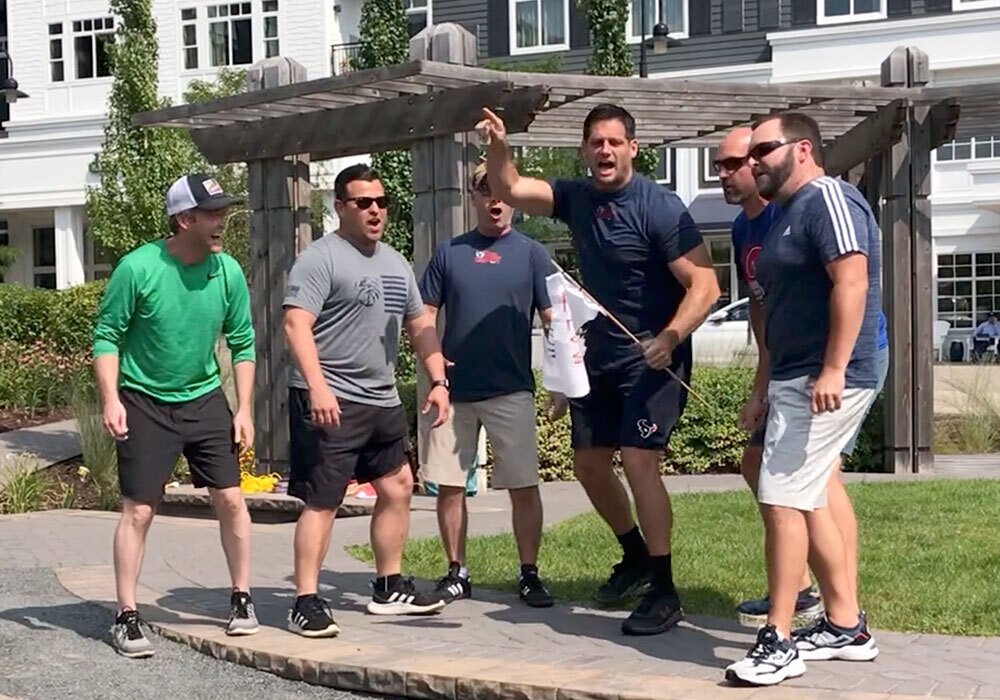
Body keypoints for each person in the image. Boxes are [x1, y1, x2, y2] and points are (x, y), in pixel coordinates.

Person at [478, 104, 721, 635]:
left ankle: (664, 589)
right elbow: (512, 187)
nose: (605, 151)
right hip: (599, 357)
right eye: (596, 143)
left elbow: (706, 287)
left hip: (654, 358)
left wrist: (670, 337)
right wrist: (498, 143)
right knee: (588, 464)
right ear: (586, 150)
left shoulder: (659, 207)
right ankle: (634, 555)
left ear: (633, 147)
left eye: (615, 142)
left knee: (638, 461)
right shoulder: (579, 198)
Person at [724, 113, 882, 687]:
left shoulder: (828, 198)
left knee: (783, 493)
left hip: (831, 375)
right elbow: (771, 311)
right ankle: (845, 626)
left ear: (804, 149)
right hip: (792, 375)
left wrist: (834, 368)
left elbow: (853, 281)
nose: (753, 160)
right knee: (805, 493)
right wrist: (763, 387)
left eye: (763, 149)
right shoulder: (780, 217)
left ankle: (780, 638)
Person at [92, 173, 259, 658]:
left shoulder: (226, 271)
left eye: (223, 211)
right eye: (212, 213)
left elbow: (243, 342)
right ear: (184, 219)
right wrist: (110, 399)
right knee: (140, 510)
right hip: (144, 400)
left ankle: (242, 598)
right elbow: (107, 336)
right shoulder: (138, 268)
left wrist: (244, 408)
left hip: (205, 398)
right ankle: (126, 615)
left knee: (231, 499)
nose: (221, 221)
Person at [282, 163, 451, 638]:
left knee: (398, 485)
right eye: (363, 202)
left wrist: (438, 378)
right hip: (330, 397)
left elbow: (420, 326)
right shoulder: (321, 259)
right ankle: (305, 601)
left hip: (380, 399)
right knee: (323, 500)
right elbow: (296, 324)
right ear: (340, 207)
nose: (375, 210)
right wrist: (317, 387)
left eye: (381, 202)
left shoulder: (396, 262)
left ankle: (388, 585)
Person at [418, 162, 556, 608]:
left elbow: (556, 323)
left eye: (501, 190)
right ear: (473, 196)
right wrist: (436, 374)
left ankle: (530, 574)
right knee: (449, 485)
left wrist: (562, 383)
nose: (495, 200)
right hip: (454, 394)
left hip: (511, 389)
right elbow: (422, 317)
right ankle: (457, 572)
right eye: (485, 190)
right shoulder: (450, 253)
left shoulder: (533, 254)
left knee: (523, 485)